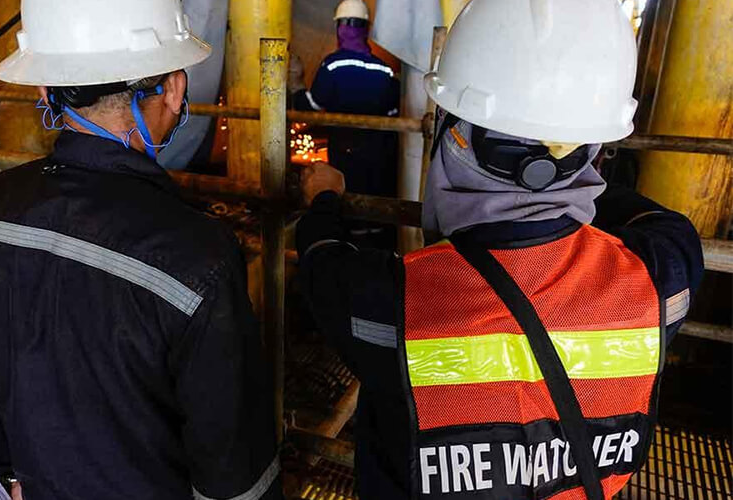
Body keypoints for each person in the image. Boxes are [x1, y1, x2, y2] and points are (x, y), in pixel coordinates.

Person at [295, 0, 704, 499]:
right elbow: (663, 223)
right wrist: (565, 180)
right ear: (595, 147)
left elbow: (320, 258)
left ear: (454, 134)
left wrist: (325, 197)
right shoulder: (661, 278)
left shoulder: (395, 300)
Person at [0, 1, 281, 499]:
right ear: (174, 89)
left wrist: (12, 476)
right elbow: (233, 469)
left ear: (45, 91)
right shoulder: (198, 260)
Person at [289, 0, 400, 249]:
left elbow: (311, 108)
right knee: (375, 202)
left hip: (345, 150)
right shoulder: (383, 70)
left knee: (346, 197)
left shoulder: (333, 65)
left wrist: (295, 83)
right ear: (366, 28)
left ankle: (350, 249)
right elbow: (394, 115)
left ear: (339, 27)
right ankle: (377, 246)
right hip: (380, 153)